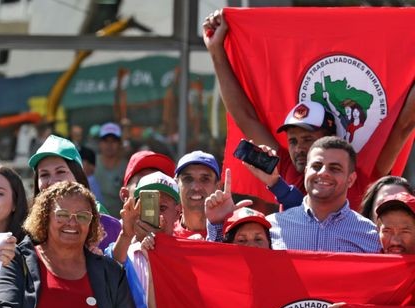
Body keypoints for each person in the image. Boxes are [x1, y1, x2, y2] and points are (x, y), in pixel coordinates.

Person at [202, 9, 415, 210]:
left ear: (330, 139)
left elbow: (404, 125)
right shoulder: (285, 169)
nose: (298, 149)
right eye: (293, 140)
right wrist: (216, 50)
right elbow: (246, 117)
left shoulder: (362, 178)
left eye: (307, 139)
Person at [0, 180, 143, 308]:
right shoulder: (17, 260)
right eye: (62, 215)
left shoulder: (110, 272)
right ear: (45, 217)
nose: (72, 223)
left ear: (92, 223)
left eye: (82, 216)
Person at [267, 137, 380, 253]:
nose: (323, 172)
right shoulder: (270, 228)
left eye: (334, 168)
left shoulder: (371, 236)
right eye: (316, 166)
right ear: (306, 172)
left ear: (350, 179)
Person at [112, 172, 183, 308]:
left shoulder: (187, 258)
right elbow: (108, 276)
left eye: (162, 207)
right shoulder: (123, 251)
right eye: (148, 206)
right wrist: (126, 234)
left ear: (177, 212)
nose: (154, 214)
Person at [330, 192, 415, 308]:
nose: (394, 241)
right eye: (387, 231)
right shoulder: (365, 273)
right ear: (377, 231)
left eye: (405, 231)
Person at [28, 134, 120, 248]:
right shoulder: (30, 224)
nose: (52, 181)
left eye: (60, 172)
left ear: (78, 176)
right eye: (44, 174)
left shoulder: (101, 218)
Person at [173, 151, 220, 238]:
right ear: (176, 185)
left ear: (217, 186)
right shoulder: (163, 234)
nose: (196, 187)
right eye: (188, 178)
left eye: (205, 179)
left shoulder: (233, 236)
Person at [93, 122, 127, 214]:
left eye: (113, 141)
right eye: (106, 141)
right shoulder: (91, 163)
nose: (109, 145)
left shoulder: (126, 167)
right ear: (100, 143)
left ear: (120, 143)